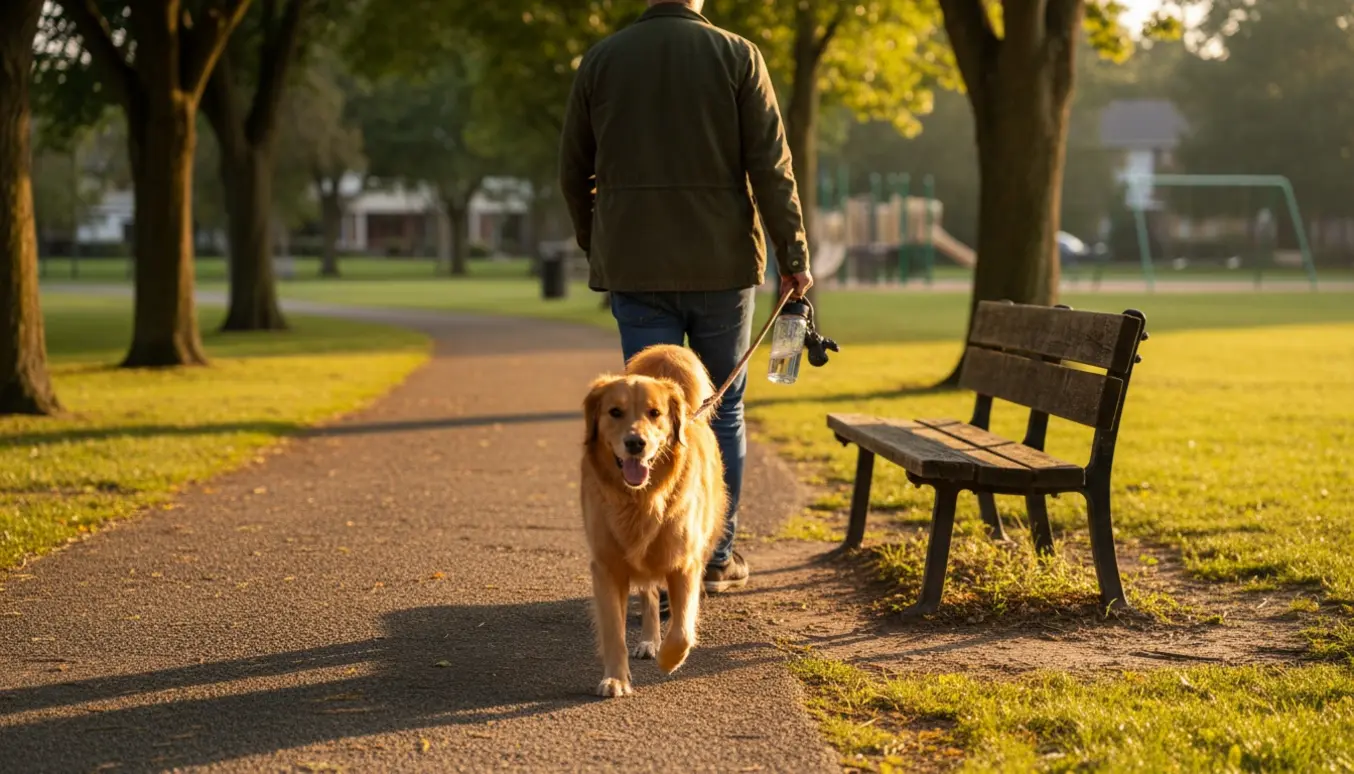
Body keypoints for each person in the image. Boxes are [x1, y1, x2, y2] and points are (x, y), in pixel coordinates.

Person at [560, 0, 813, 594]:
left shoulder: (602, 60)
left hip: (636, 264)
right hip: (721, 264)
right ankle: (712, 554)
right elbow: (771, 166)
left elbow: (573, 169)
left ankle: (647, 551)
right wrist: (793, 257)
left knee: (642, 414)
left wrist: (599, 240)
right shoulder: (737, 55)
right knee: (714, 411)